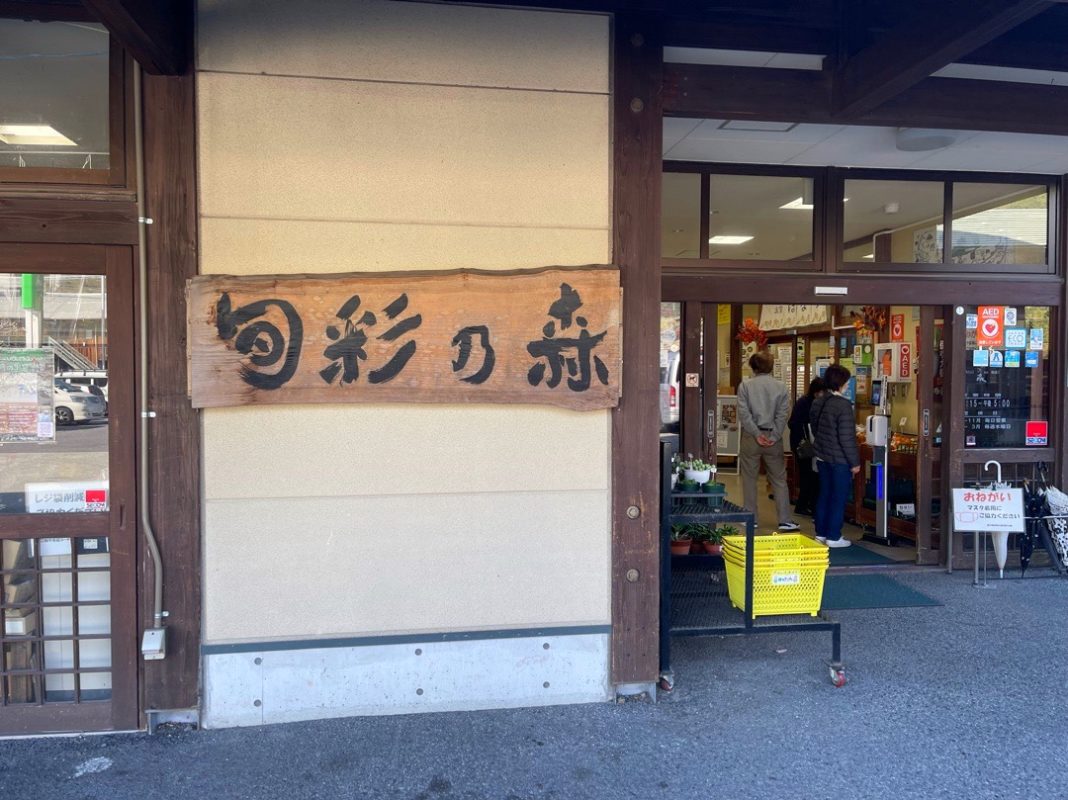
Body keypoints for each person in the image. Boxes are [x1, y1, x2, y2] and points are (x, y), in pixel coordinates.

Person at [736, 350, 798, 531]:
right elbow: (783, 414)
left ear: (753, 367)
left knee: (749, 479)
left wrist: (757, 434)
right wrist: (774, 435)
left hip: (751, 437)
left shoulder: (745, 386)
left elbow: (744, 414)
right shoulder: (781, 387)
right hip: (773, 438)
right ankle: (785, 520)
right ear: (771, 367)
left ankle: (751, 518)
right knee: (779, 479)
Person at [810, 364, 860, 548]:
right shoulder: (843, 405)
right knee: (838, 497)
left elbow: (815, 428)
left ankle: (821, 534)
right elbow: (847, 438)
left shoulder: (818, 402)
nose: (847, 384)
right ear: (841, 383)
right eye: (846, 381)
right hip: (839, 460)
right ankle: (833, 536)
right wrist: (855, 462)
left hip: (822, 456)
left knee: (824, 494)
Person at [788, 377, 825, 517]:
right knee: (807, 475)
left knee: (810, 475)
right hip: (804, 446)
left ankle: (807, 504)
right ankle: (803, 505)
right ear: (816, 391)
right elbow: (794, 423)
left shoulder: (809, 402)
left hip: (807, 443)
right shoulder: (805, 403)